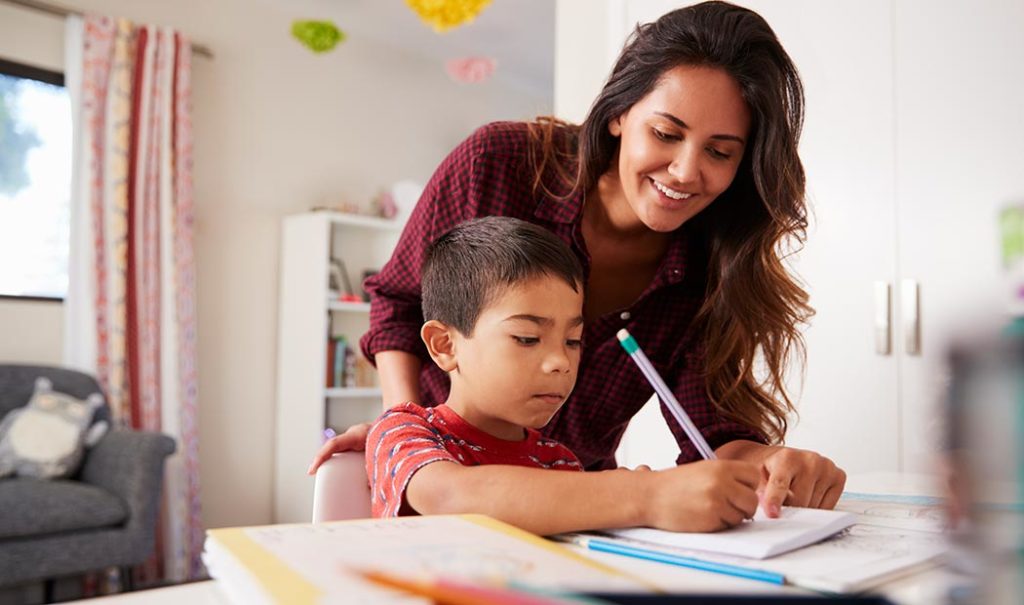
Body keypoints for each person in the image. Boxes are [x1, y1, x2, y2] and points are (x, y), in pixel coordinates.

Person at [311, 0, 846, 516]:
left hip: (576, 511)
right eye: (665, 134)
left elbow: (714, 440)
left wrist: (770, 464)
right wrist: (402, 424)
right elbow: (401, 305)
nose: (685, 170)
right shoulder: (497, 164)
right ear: (618, 114)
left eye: (720, 151)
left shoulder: (712, 267)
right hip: (449, 473)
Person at [367, 216, 762, 534]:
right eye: (527, 338)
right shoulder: (404, 431)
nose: (561, 361)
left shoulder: (557, 462)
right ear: (444, 345)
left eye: (573, 341)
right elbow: (453, 497)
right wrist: (646, 495)